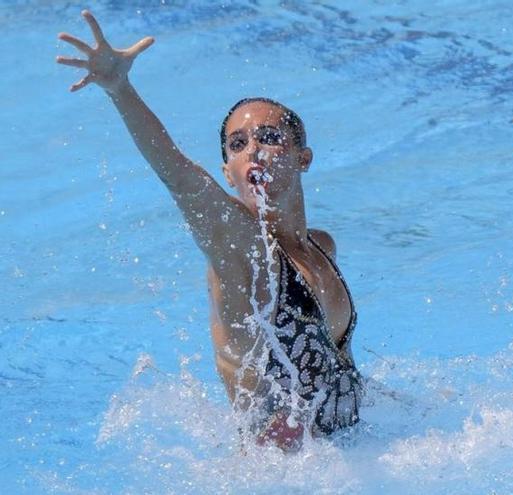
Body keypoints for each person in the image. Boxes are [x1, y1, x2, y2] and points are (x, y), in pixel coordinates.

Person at [57, 11, 362, 451]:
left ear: (303, 158)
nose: (253, 149)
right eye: (238, 144)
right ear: (228, 172)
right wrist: (120, 89)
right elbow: (178, 176)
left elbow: (337, 368)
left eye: (269, 136)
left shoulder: (321, 248)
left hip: (347, 456)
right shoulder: (241, 250)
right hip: (279, 477)